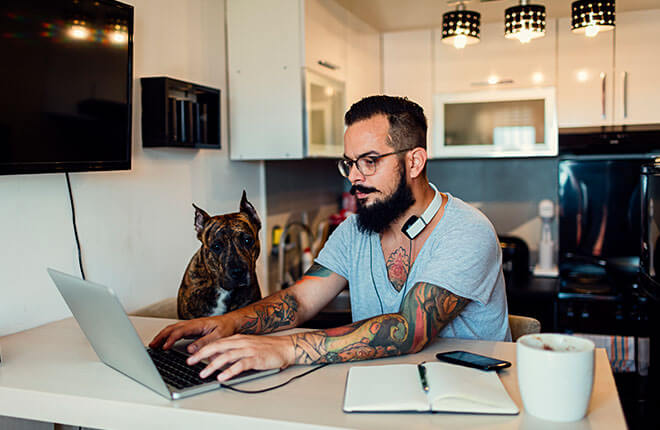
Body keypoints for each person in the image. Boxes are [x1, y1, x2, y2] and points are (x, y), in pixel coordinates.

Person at [150, 95, 511, 382]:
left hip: (472, 396)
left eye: (369, 161)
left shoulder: (466, 230)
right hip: (382, 386)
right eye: (349, 163)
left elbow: (408, 330)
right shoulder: (354, 231)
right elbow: (300, 300)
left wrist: (287, 349)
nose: (354, 176)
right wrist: (230, 323)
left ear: (414, 162)